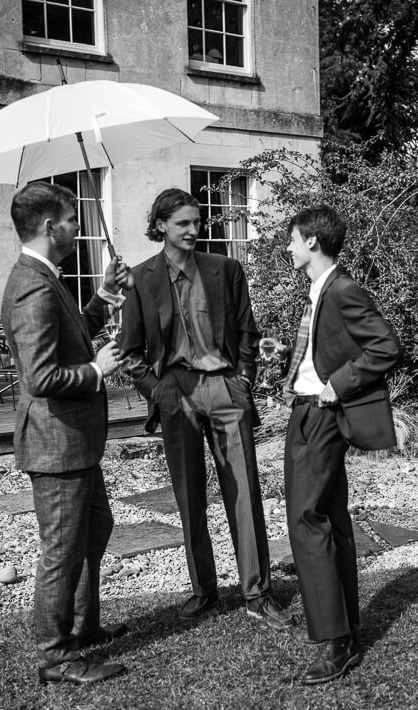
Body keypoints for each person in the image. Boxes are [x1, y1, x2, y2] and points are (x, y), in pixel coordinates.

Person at [120, 188, 290, 630]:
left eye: (197, 222)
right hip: (176, 392)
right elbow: (130, 352)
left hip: (225, 388)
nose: (194, 230)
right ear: (160, 226)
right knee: (189, 495)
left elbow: (247, 333)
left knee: (244, 492)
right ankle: (204, 590)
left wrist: (245, 381)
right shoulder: (140, 280)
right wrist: (158, 392)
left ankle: (257, 592)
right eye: (183, 223)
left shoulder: (226, 270)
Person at [1, 181, 133, 686]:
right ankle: (56, 657)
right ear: (52, 227)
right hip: (56, 444)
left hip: (75, 442)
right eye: (73, 220)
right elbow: (41, 376)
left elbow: (71, 331)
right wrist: (98, 370)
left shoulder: (43, 275)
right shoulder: (32, 285)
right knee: (61, 550)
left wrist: (102, 295)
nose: (79, 227)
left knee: (95, 529)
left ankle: (83, 628)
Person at [279, 204, 401, 685]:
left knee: (307, 520)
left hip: (321, 414)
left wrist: (337, 384)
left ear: (311, 241)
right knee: (329, 517)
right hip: (311, 409)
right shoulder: (319, 290)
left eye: (291, 239)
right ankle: (344, 628)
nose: (287, 247)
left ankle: (333, 643)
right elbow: (328, 346)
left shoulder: (343, 289)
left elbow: (386, 346)